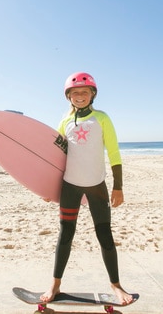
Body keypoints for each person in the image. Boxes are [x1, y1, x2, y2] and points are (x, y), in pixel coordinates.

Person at [41, 72, 134, 305]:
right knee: (65, 235)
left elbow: (114, 153)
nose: (79, 96)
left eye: (84, 92)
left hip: (97, 187)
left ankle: (116, 285)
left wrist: (118, 187)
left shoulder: (102, 118)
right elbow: (55, 158)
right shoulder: (64, 121)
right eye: (75, 93)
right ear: (68, 97)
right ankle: (55, 284)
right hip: (70, 186)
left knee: (105, 235)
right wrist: (45, 187)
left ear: (92, 94)